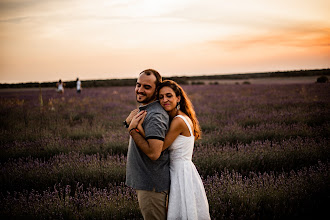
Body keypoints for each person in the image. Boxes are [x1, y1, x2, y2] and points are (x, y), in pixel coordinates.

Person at [129, 80, 211, 220]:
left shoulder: (178, 121)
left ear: (178, 98)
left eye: (169, 96)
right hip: (179, 170)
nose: (164, 100)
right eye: (161, 97)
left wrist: (135, 128)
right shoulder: (177, 117)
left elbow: (158, 148)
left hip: (180, 173)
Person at [124, 69, 170, 220]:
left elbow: (154, 153)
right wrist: (129, 123)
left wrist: (132, 130)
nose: (140, 90)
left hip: (152, 186)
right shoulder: (146, 111)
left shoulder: (155, 116)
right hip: (147, 184)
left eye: (146, 87)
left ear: (157, 91)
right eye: (138, 85)